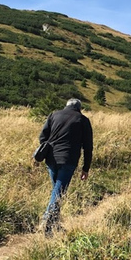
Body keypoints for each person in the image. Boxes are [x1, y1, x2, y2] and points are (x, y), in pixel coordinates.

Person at [38, 98, 93, 235]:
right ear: (80, 108)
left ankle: (53, 224)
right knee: (59, 191)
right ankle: (47, 221)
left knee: (58, 190)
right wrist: (86, 168)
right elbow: (88, 147)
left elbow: (42, 137)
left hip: (51, 158)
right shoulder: (83, 120)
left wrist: (49, 147)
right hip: (68, 159)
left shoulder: (53, 115)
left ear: (66, 106)